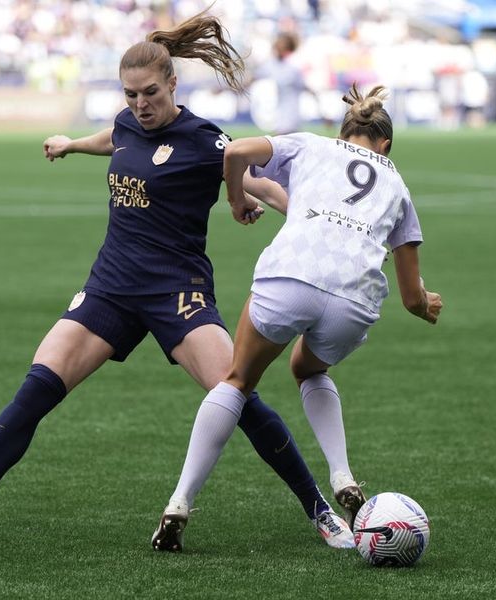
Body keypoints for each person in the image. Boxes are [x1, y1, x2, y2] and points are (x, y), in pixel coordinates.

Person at [0, 11, 353, 550]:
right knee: (35, 390)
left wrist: (302, 217)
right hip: (111, 288)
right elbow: (113, 139)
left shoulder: (203, 139)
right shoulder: (125, 123)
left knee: (237, 395)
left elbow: (260, 182)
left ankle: (321, 512)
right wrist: (72, 143)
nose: (140, 105)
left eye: (150, 94)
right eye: (130, 95)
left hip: (177, 291)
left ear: (172, 84)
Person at [151, 84, 443, 552]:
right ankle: (342, 472)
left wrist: (236, 200)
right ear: (385, 145)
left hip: (290, 274)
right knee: (308, 368)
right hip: (354, 297)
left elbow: (236, 151)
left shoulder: (313, 144)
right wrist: (427, 304)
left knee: (236, 380)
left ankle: (179, 502)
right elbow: (412, 298)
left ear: (342, 131)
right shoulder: (399, 187)